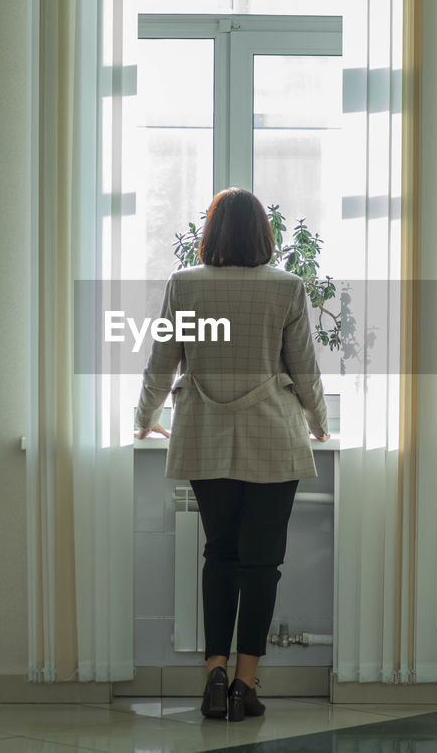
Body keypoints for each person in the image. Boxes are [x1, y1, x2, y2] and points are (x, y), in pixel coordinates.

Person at [134, 187, 329, 723]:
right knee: (263, 563)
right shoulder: (287, 289)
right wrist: (319, 424)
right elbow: (305, 370)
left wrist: (146, 419)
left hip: (204, 434)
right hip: (273, 437)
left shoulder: (184, 285)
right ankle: (246, 684)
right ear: (263, 234)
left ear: (212, 233)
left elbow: (162, 364)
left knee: (219, 554)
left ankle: (212, 676)